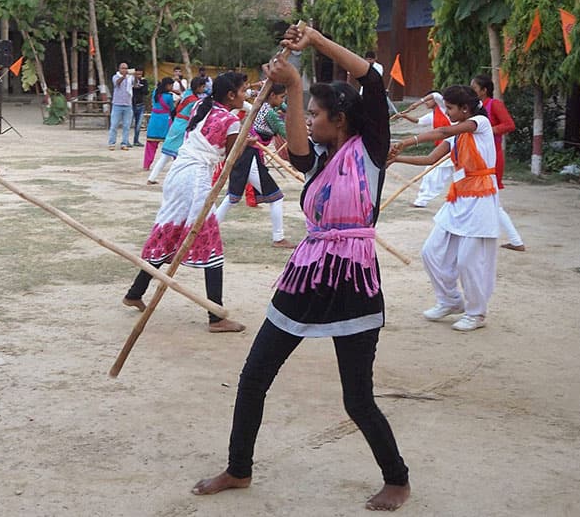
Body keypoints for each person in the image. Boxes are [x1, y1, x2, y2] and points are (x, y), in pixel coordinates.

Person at [192, 25, 410, 512]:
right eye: (307, 112)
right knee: (253, 377)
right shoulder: (319, 161)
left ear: (341, 118)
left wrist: (313, 39)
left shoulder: (370, 151)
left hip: (353, 281)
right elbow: (294, 148)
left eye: (316, 114)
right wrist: (292, 86)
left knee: (357, 399)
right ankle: (239, 468)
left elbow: (372, 77)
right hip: (306, 276)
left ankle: (397, 477)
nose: (309, 121)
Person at [122, 72, 248, 333]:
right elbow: (234, 155)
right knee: (210, 241)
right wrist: (247, 140)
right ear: (231, 95)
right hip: (196, 178)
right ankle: (216, 316)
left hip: (179, 172)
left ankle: (135, 291)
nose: (246, 95)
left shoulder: (202, 105)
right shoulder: (230, 120)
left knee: (169, 230)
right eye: (243, 90)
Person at [389, 84, 500, 332]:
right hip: (458, 199)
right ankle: (450, 300)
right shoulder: (455, 135)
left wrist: (407, 141)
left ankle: (476, 313)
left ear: (465, 108)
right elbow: (430, 159)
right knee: (431, 252)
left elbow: (441, 131)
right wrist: (396, 157)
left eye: (450, 108)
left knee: (468, 261)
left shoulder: (479, 123)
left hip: (481, 200)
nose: (446, 111)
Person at [214, 83, 294, 248]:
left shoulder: (262, 106)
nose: (282, 100)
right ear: (272, 96)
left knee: (231, 198)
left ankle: (208, 229)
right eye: (281, 97)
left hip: (244, 155)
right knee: (276, 197)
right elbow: (284, 131)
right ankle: (278, 238)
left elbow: (285, 108)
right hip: (250, 156)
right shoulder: (269, 113)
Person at [471, 74, 525, 252]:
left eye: (475, 89)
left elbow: (509, 125)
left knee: (492, 201)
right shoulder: (476, 107)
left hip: (493, 157)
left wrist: (487, 130)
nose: (472, 92)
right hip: (479, 158)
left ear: (484, 90)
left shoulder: (494, 104)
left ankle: (515, 240)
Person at [400, 91, 455, 208]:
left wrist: (416, 104)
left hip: (452, 147)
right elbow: (419, 121)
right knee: (431, 173)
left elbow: (435, 95)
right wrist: (404, 116)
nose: (426, 103)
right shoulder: (433, 115)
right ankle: (422, 200)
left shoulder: (444, 109)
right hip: (443, 148)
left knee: (433, 174)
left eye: (428, 101)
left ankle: (422, 200)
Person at [147, 76, 207, 184]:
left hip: (176, 124)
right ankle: (175, 180)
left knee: (166, 155)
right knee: (178, 156)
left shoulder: (187, 94)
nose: (204, 89)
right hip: (183, 126)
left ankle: (152, 177)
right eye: (203, 87)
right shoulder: (194, 101)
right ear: (198, 87)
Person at [143, 77, 175, 170]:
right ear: (167, 85)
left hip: (154, 120)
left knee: (151, 144)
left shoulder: (155, 93)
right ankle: (176, 162)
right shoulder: (169, 96)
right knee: (171, 143)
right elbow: (172, 109)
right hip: (165, 120)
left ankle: (146, 165)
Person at [108, 62, 134, 150]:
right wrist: (123, 77)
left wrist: (135, 76)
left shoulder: (130, 78)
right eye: (123, 68)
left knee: (126, 126)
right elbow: (117, 83)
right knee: (114, 125)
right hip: (117, 104)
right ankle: (111, 143)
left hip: (128, 104)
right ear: (119, 69)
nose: (124, 70)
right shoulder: (115, 77)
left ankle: (124, 143)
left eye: (126, 68)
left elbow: (136, 84)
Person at [131, 68, 148, 147]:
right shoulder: (130, 81)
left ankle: (136, 140)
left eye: (140, 74)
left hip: (140, 105)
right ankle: (126, 141)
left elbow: (145, 92)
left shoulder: (144, 82)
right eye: (137, 74)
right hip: (131, 105)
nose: (138, 76)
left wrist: (140, 85)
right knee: (129, 124)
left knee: (138, 125)